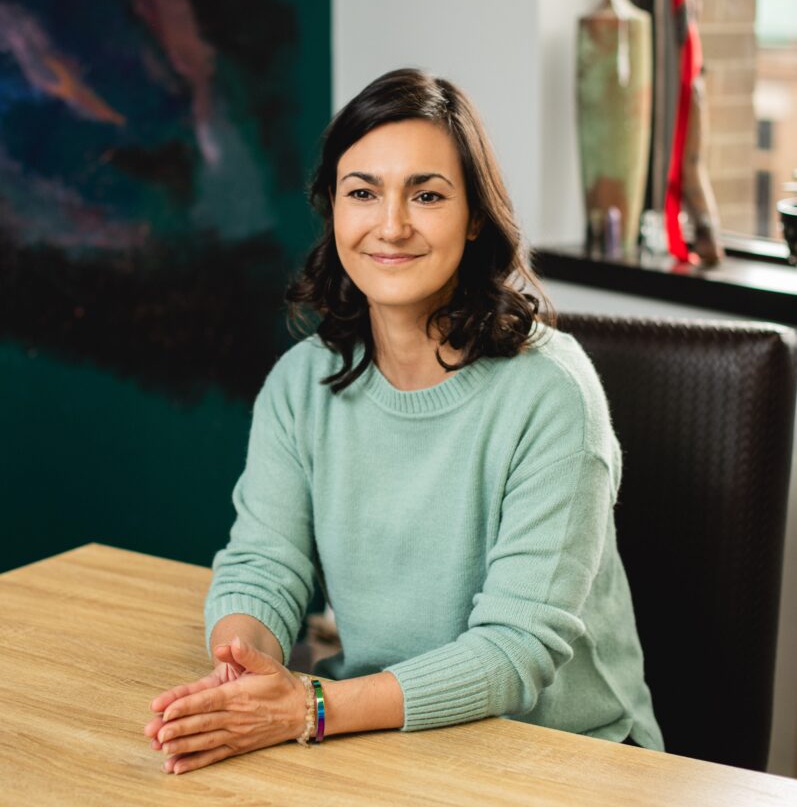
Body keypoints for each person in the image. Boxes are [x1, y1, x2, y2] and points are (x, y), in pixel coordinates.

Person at [144, 68, 664, 774]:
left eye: (426, 195)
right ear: (332, 209)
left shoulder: (551, 393)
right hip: (386, 736)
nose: (390, 225)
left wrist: (309, 709)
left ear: (473, 215)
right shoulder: (302, 385)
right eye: (362, 193)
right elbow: (264, 563)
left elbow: (515, 650)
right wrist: (245, 666)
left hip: (564, 757)